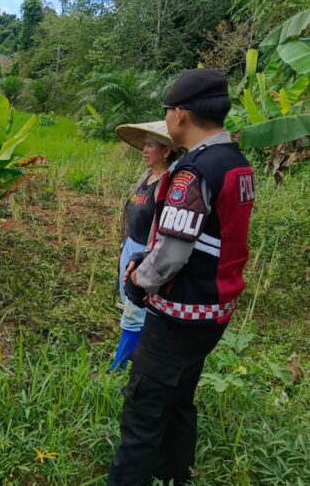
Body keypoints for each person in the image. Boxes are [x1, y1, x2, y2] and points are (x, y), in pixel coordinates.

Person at [107, 68, 255, 485]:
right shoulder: (237, 163)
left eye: (168, 110)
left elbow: (171, 254)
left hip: (179, 314)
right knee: (180, 398)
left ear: (181, 115)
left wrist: (137, 281)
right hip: (215, 311)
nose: (167, 118)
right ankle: (175, 474)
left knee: (142, 410)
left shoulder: (193, 171)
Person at [109, 122, 180, 372]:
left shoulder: (169, 183)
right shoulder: (145, 178)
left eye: (150, 145)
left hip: (146, 254)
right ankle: (137, 356)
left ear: (166, 150)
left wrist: (144, 257)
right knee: (131, 304)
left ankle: (116, 368)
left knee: (135, 311)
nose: (144, 150)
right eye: (144, 145)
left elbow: (165, 229)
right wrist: (123, 248)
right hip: (130, 247)